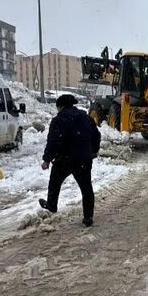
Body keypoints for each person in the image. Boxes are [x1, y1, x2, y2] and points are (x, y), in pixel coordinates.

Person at [39, 94, 102, 226]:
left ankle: (51, 205)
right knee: (86, 188)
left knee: (55, 182)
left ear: (60, 106)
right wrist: (94, 150)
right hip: (84, 159)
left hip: (64, 159)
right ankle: (88, 217)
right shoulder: (86, 118)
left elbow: (53, 142)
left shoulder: (58, 120)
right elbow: (96, 135)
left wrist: (47, 160)